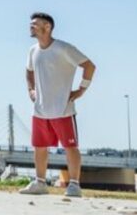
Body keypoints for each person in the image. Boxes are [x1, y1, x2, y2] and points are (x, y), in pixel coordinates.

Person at [19, 12, 96, 198]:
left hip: (63, 109)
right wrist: (31, 90)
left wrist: (81, 90)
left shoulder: (64, 48)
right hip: (40, 109)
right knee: (39, 146)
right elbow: (29, 71)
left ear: (47, 27)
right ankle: (40, 183)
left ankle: (74, 185)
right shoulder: (33, 50)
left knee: (70, 147)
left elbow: (89, 66)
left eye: (35, 24)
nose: (31, 26)